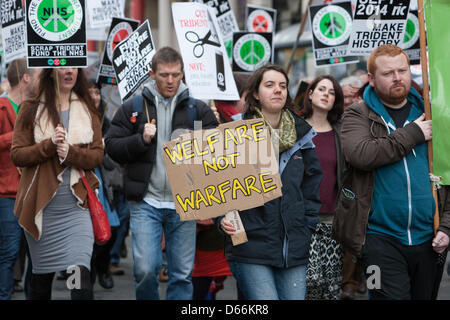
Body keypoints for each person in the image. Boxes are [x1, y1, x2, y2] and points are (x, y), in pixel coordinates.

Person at [332, 44, 450, 300]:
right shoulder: (357, 113)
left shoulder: (432, 112)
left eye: (402, 70)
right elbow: (361, 155)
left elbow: (449, 174)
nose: (397, 77)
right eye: (388, 73)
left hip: (429, 239)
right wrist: (413, 135)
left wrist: (447, 227)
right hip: (377, 241)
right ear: (371, 79)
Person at [105, 47, 218, 300]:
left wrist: (200, 142)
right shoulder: (133, 107)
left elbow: (217, 154)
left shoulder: (197, 109)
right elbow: (111, 147)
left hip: (185, 203)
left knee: (181, 274)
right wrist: (141, 140)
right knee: (146, 270)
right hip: (146, 202)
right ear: (152, 74)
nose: (170, 80)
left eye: (176, 75)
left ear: (182, 74)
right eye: (164, 75)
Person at [217, 64, 322, 300]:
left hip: (292, 246)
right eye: (270, 85)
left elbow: (311, 185)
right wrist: (221, 218)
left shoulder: (302, 134)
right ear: (255, 93)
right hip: (250, 245)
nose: (278, 90)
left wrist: (307, 224)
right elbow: (216, 184)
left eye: (283, 86)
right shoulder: (234, 131)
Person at [11, 68, 104, 300]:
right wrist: (48, 146)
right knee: (41, 283)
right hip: (41, 210)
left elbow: (97, 156)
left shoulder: (86, 107)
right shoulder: (31, 107)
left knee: (78, 279)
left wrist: (71, 153)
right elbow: (18, 155)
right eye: (63, 66)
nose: (69, 71)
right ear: (51, 71)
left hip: (76, 210)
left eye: (74, 66)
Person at [300, 75, 345, 300]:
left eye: (332, 91)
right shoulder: (296, 128)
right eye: (321, 89)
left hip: (333, 221)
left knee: (331, 288)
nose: (326, 94)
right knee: (309, 285)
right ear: (310, 93)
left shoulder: (341, 131)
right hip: (303, 220)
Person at [0, 59, 39, 300]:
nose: (38, 81)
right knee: (10, 251)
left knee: (36, 255)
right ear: (25, 78)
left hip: (33, 191)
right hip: (7, 191)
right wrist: (15, 137)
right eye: (35, 76)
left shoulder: (35, 108)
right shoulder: (2, 107)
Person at [87, 80, 120, 290]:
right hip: (84, 181)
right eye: (90, 93)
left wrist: (105, 149)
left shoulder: (107, 123)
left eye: (97, 93)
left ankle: (103, 265)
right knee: (87, 233)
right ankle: (87, 275)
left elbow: (112, 161)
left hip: (104, 183)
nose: (95, 97)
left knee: (111, 228)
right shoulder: (75, 119)